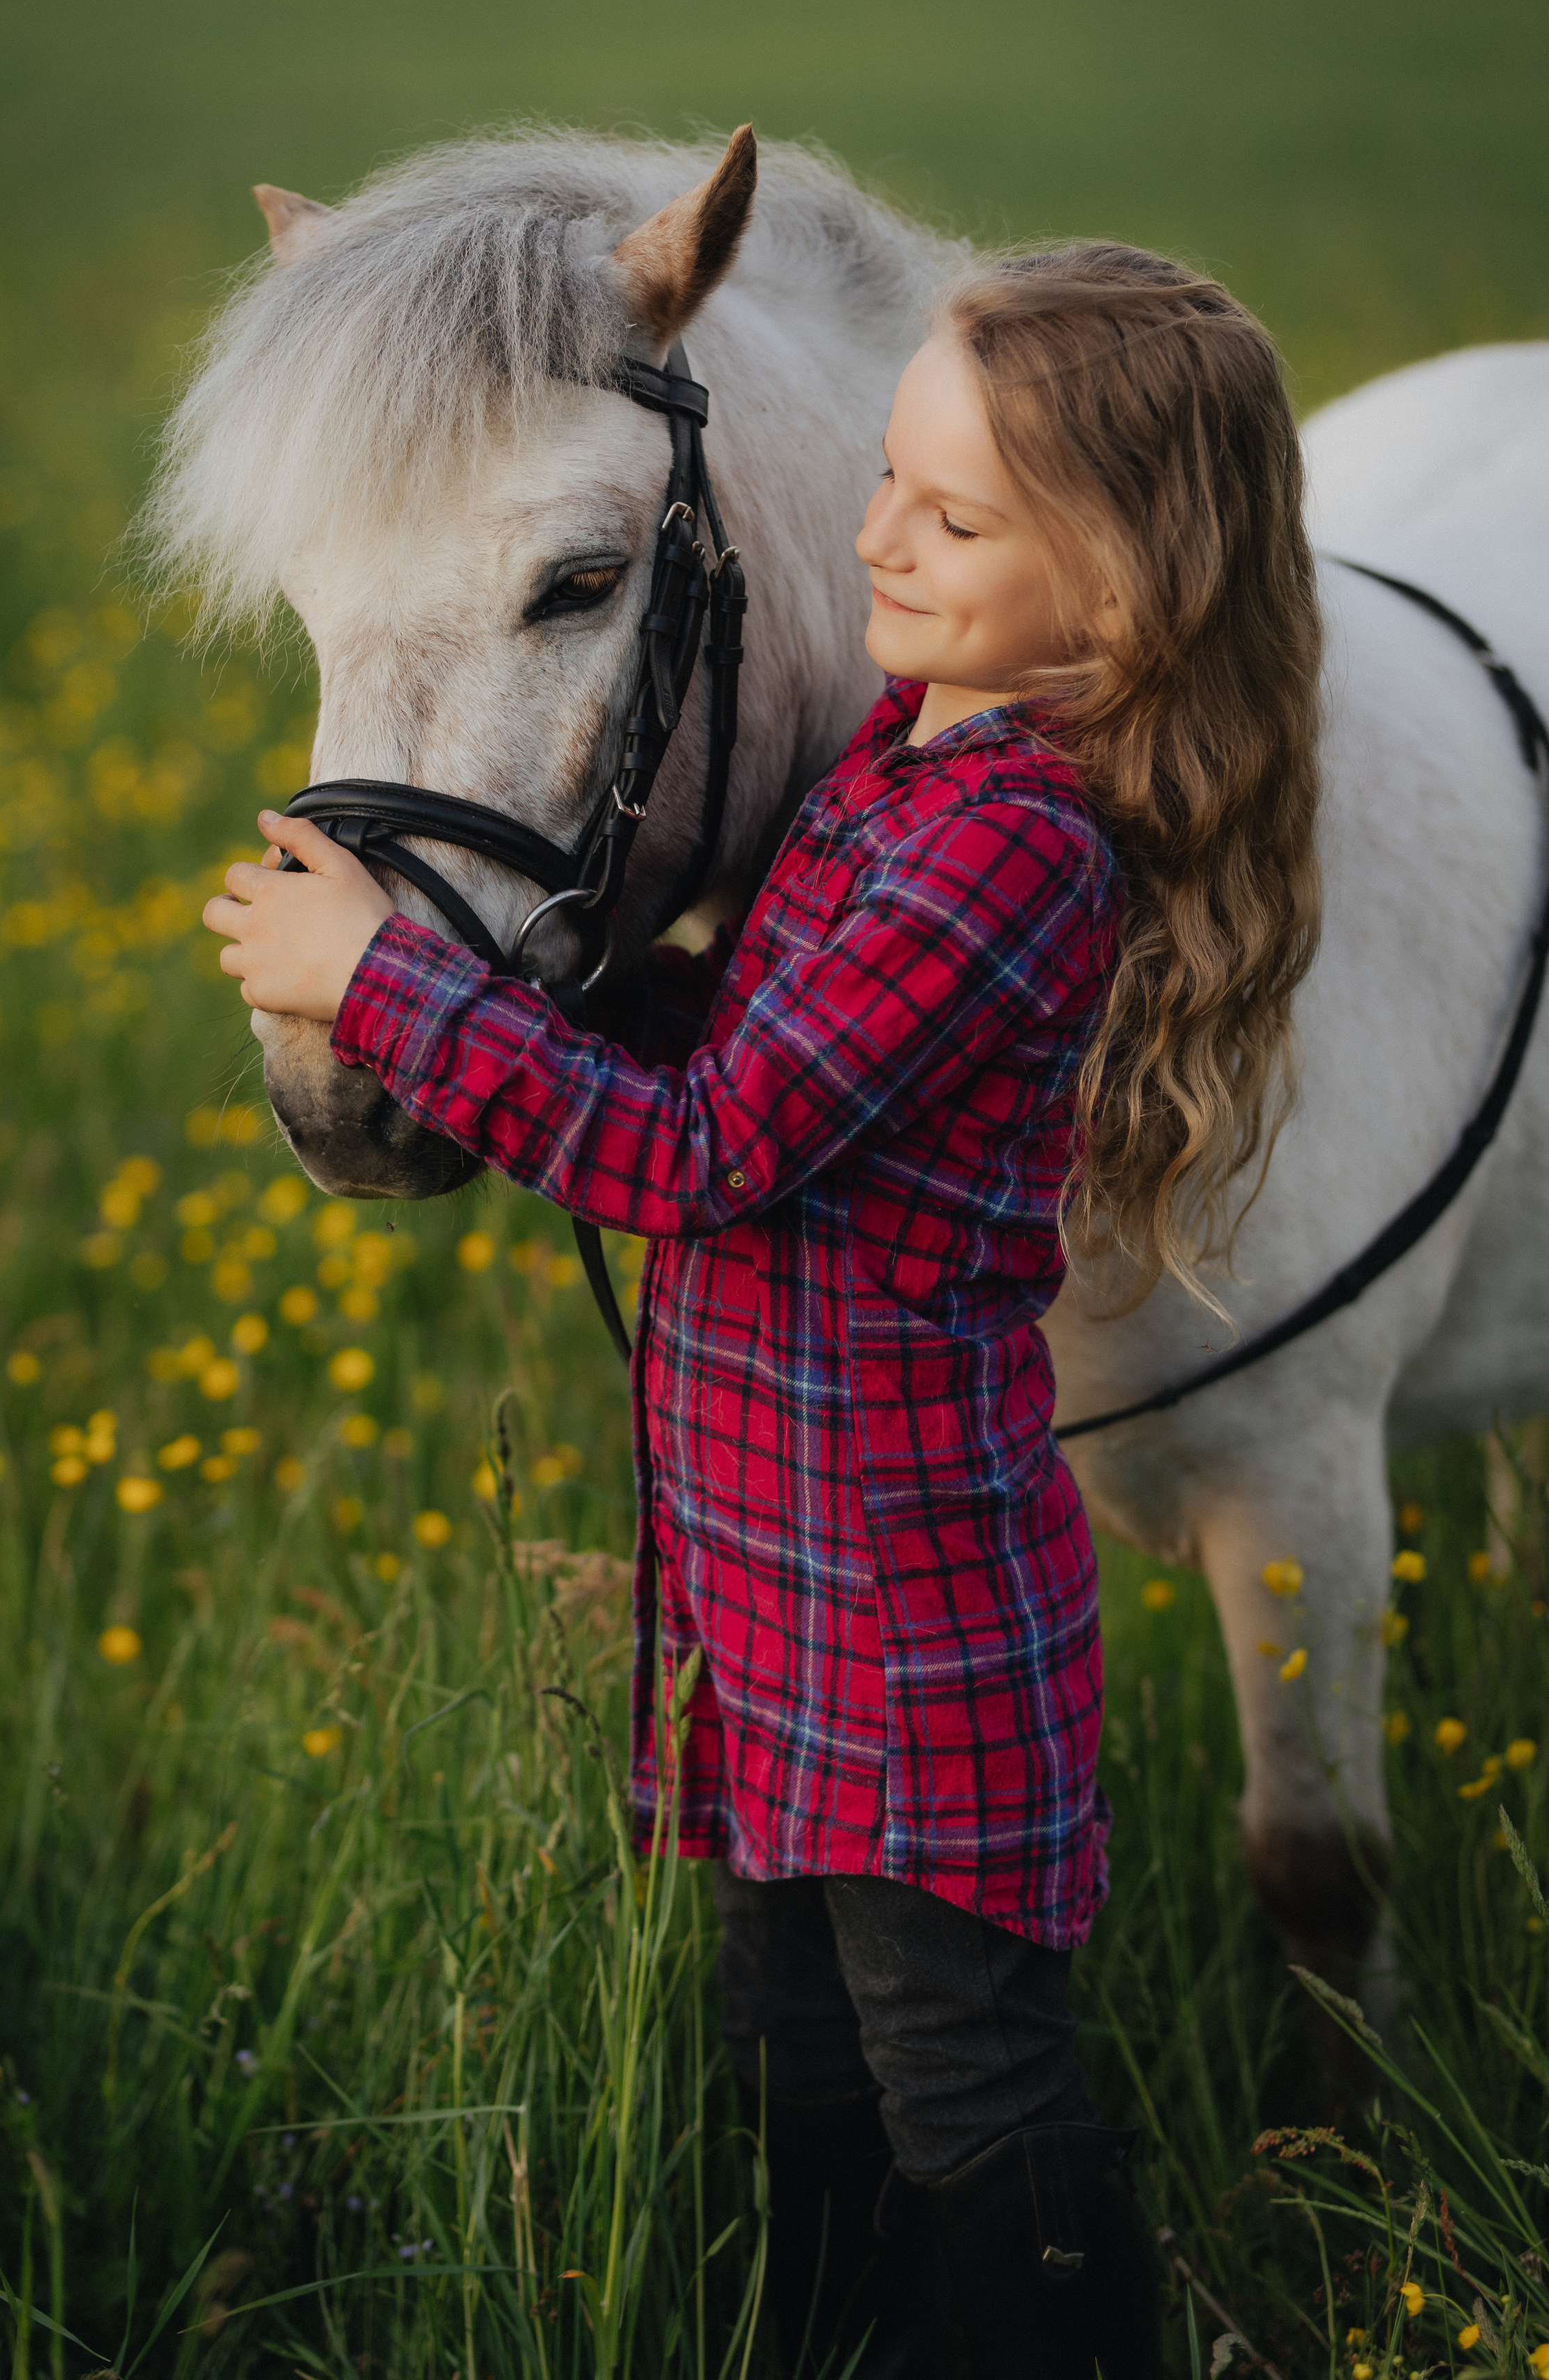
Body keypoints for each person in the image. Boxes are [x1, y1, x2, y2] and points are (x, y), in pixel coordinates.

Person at [202, 244, 1323, 2377]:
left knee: (969, 2091)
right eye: (889, 477)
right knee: (795, 2058)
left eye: (953, 520)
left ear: (1125, 595)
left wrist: (390, 988)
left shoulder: (1011, 844)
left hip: (901, 1628)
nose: (877, 534)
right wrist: (510, 976)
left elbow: (711, 1147)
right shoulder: (897, 754)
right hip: (767, 1588)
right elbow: (762, 1041)